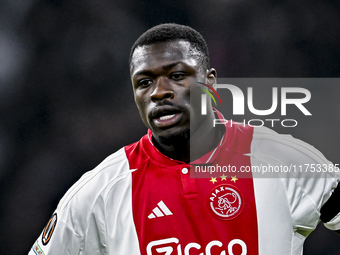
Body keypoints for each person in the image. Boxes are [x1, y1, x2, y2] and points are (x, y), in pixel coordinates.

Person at [29, 23, 340, 255]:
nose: (159, 92)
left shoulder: (284, 161)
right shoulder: (99, 192)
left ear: (210, 81)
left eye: (177, 76)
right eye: (144, 82)